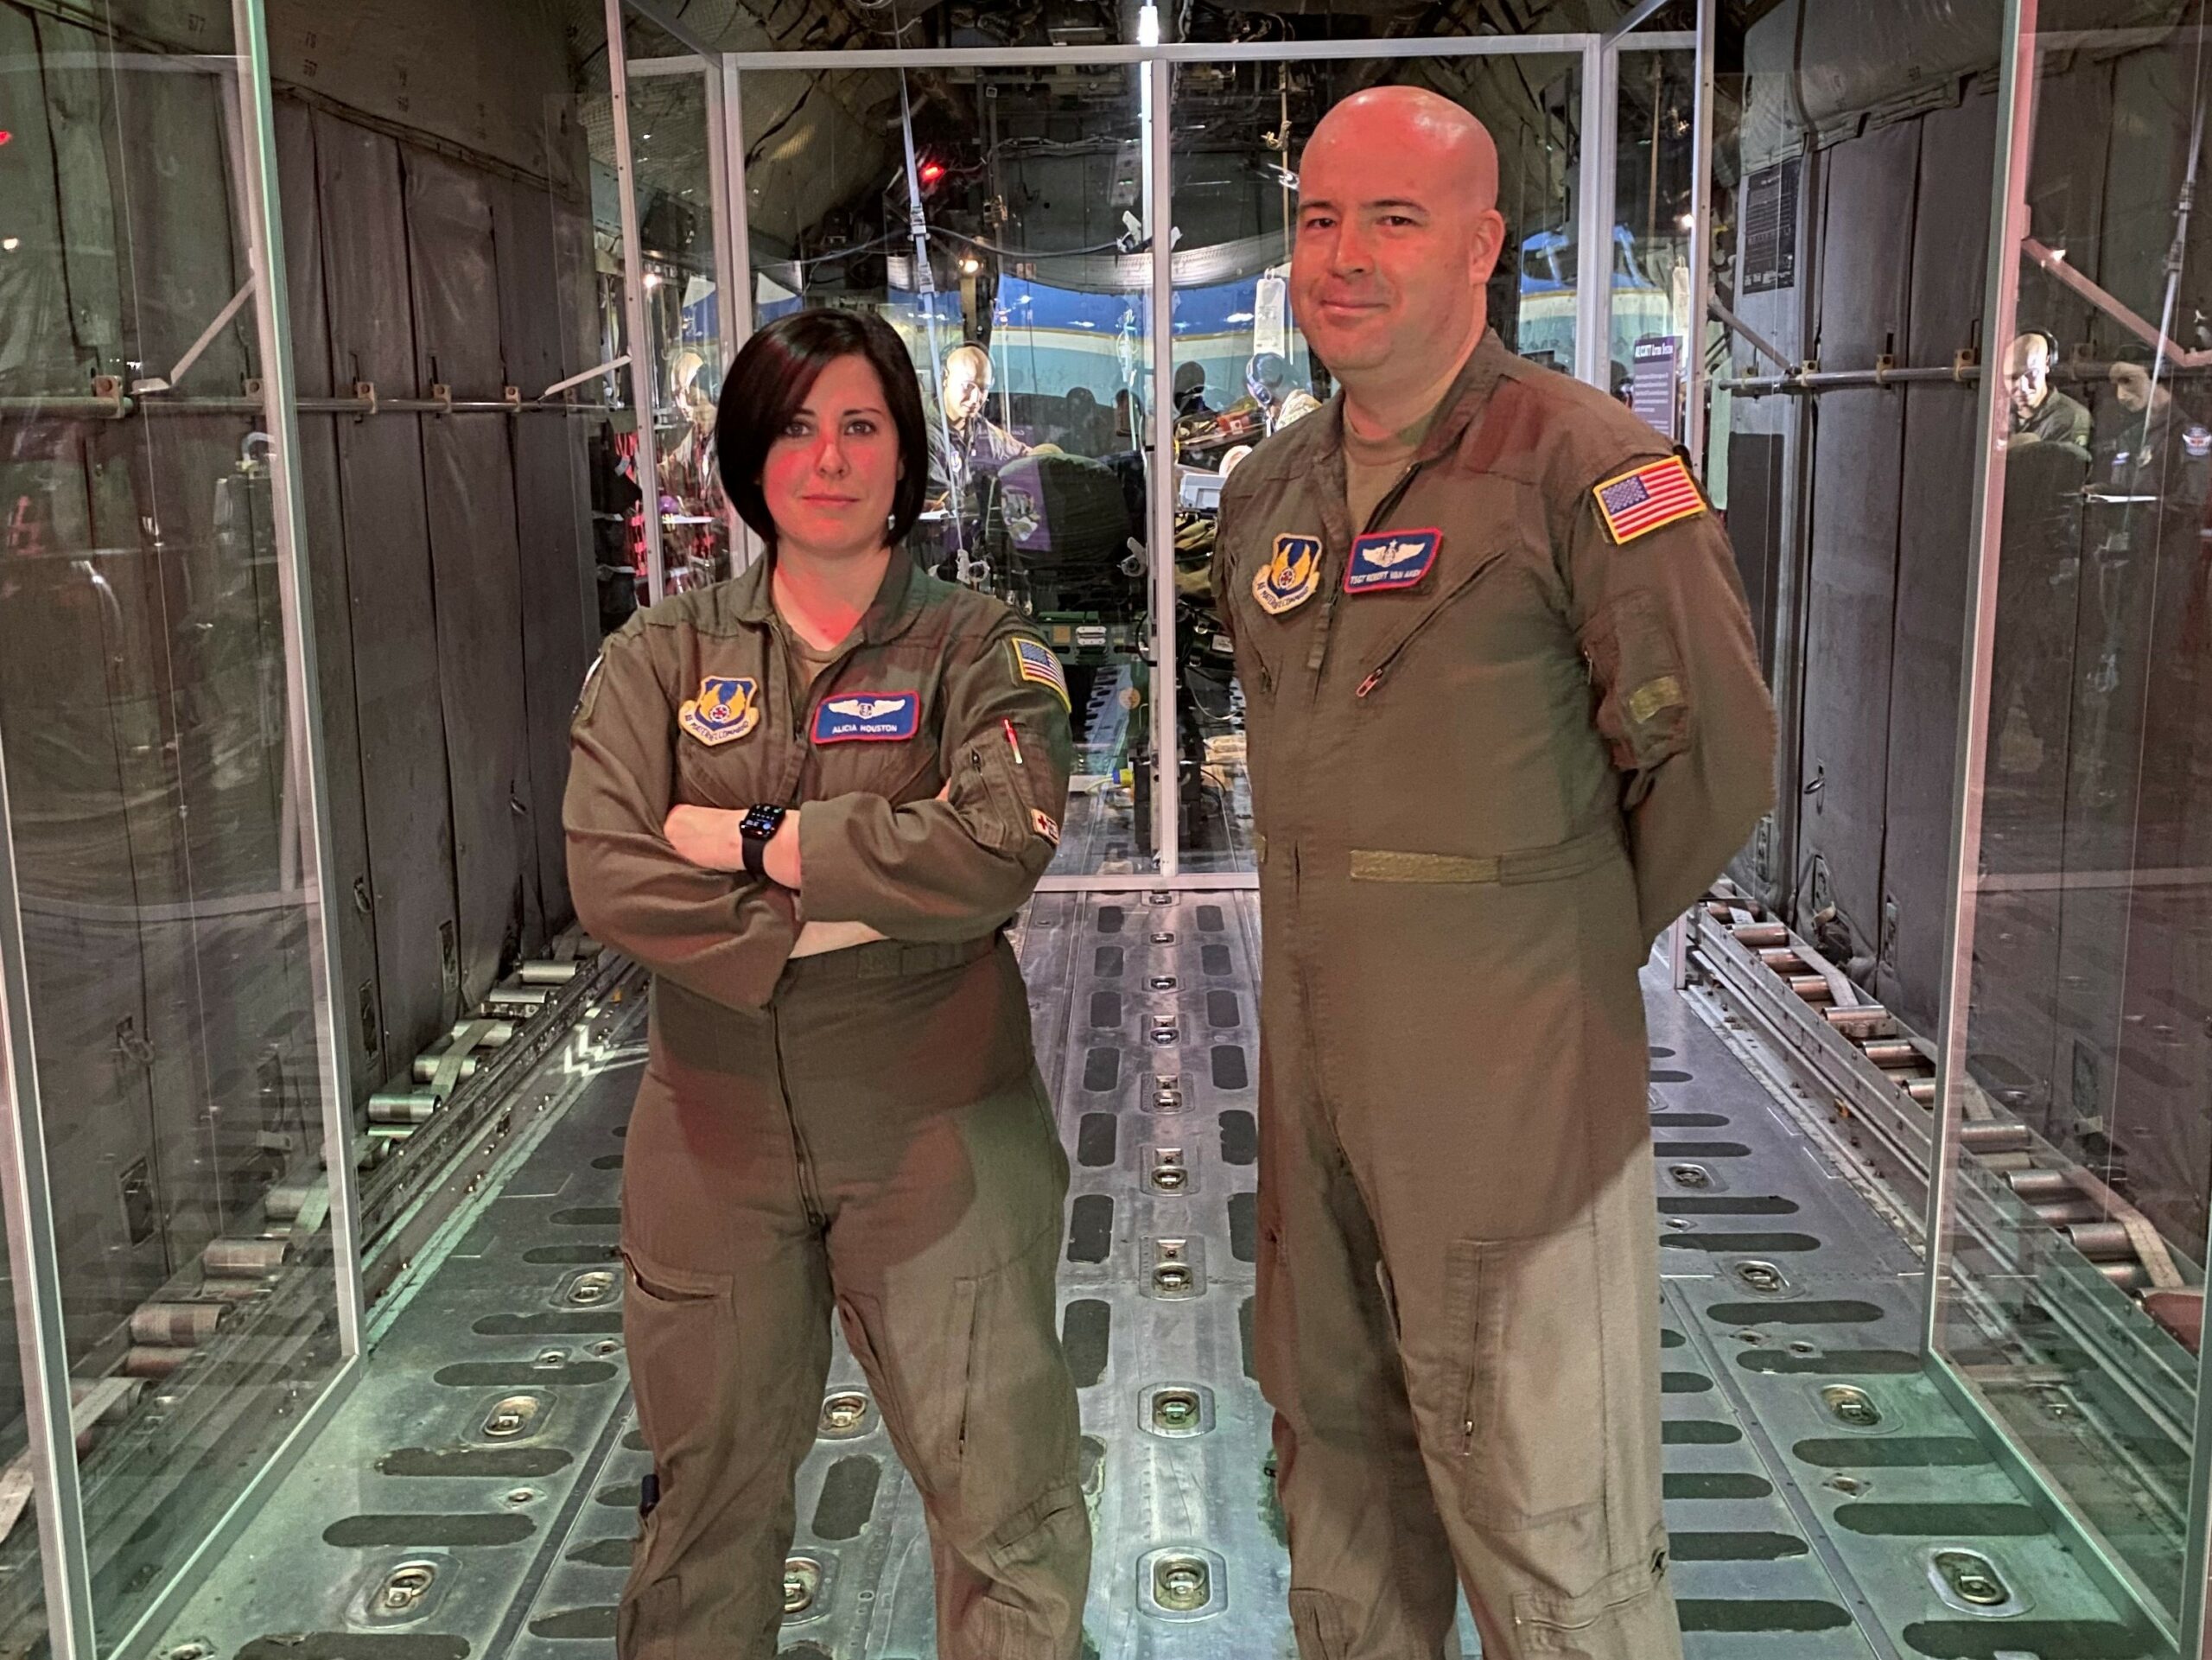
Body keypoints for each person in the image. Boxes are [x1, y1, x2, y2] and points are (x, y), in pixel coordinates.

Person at [1211, 86, 1774, 1660]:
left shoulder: (1588, 472)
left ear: (1483, 248)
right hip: (1319, 1089)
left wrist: (1544, 945)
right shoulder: (1271, 498)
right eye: (1321, 218)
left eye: (1392, 218)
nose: (1345, 255)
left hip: (1515, 1102)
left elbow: (1715, 765)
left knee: (1549, 1529)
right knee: (1340, 1495)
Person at [565, 307, 1089, 1660]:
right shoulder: (659, 659)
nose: (830, 457)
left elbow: (995, 850)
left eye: (862, 424)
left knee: (1005, 1504)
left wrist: (748, 845)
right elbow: (611, 871)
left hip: (938, 1125)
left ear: (907, 452)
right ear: (747, 455)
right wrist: (855, 896)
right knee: (703, 1511)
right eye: (795, 426)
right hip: (708, 1134)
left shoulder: (982, 650)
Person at [930, 340, 1030, 497]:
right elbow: (940, 498)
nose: (975, 398)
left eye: (983, 388)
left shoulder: (978, 427)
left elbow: (1025, 455)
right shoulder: (924, 436)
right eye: (967, 386)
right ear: (944, 378)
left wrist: (1048, 457)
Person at [2005, 329, 2093, 447]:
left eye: (2031, 374)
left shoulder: (2074, 419)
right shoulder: (1991, 413)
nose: (2023, 387)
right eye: (2012, 378)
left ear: (2047, 364)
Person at [1246, 351, 1324, 435]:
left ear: (1264, 394)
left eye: (1258, 398)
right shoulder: (1304, 404)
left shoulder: (1293, 418)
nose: (1259, 405)